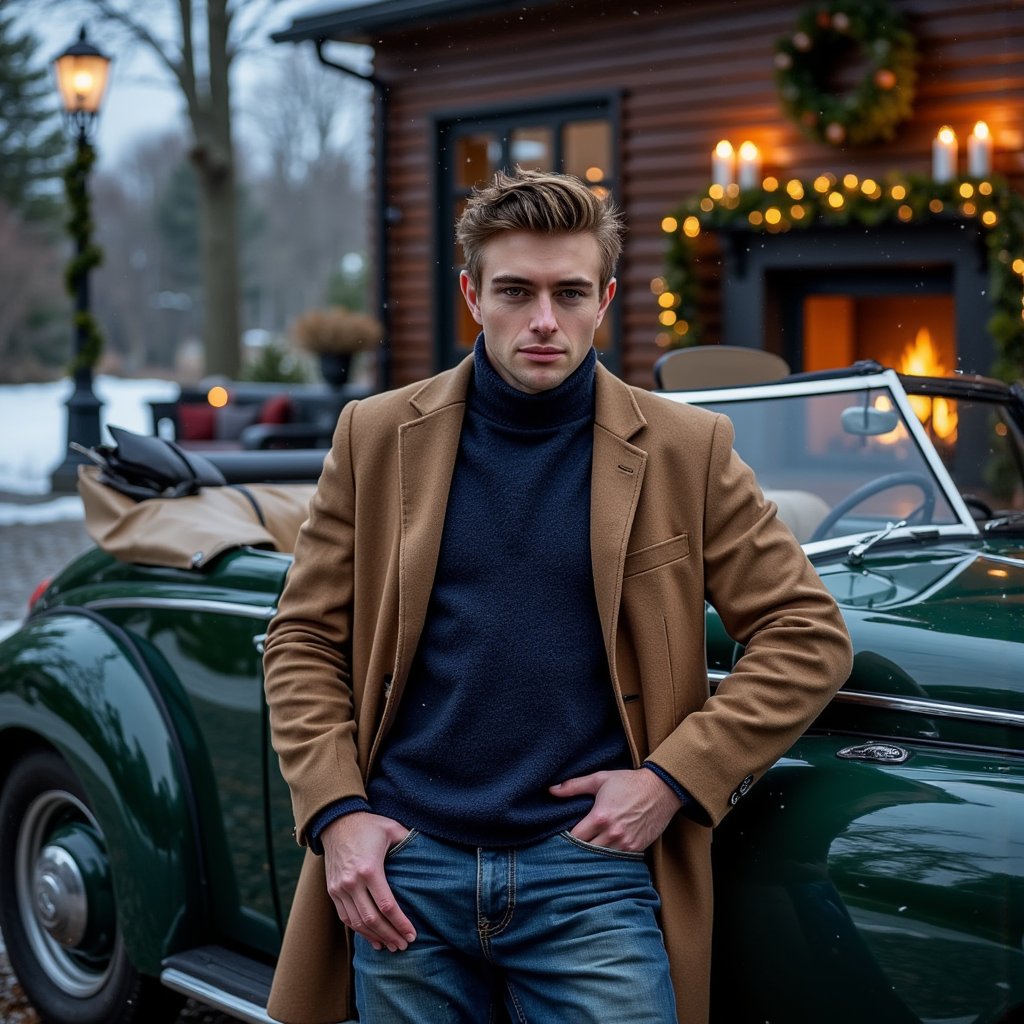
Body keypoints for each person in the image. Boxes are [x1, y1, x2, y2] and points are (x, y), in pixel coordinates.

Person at [263, 168, 852, 1024]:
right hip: (405, 869)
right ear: (472, 294)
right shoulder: (377, 435)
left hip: (591, 873)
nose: (545, 320)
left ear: (605, 298)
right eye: (516, 291)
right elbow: (304, 640)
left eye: (570, 292)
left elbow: (806, 634)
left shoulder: (688, 449)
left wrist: (672, 781)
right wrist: (337, 813)